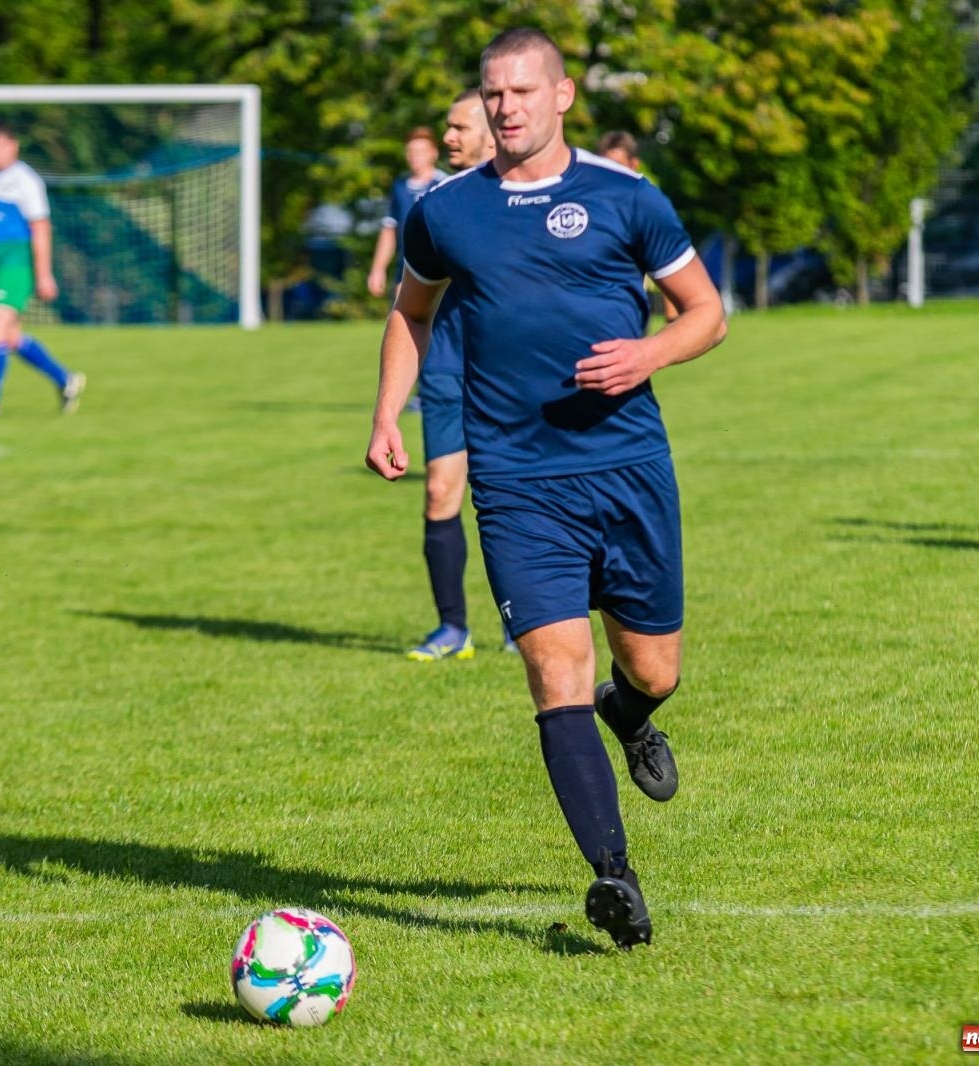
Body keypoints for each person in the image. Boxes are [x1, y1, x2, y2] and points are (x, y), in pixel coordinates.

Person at [364, 28, 727, 949]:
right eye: (493, 95)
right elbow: (411, 313)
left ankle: (629, 714)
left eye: (524, 91)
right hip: (519, 482)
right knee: (551, 670)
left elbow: (707, 313)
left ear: (562, 96)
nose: (506, 108)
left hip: (629, 469)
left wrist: (647, 352)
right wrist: (385, 418)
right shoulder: (445, 212)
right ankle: (614, 876)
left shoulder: (626, 195)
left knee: (655, 669)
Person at [405, 89, 496, 662]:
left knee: (512, 499)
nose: (448, 138)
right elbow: (407, 304)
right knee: (441, 491)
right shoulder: (435, 205)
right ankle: (452, 628)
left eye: (459, 128)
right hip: (444, 367)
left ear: (494, 132)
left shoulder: (519, 200)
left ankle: (529, 619)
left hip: (505, 375)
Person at [0, 124, 85, 421]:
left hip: (16, 265)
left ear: (14, 146)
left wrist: (44, 273)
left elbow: (40, 227)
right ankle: (65, 380)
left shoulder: (25, 180)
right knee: (10, 337)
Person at [597, 130, 679, 324]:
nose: (611, 173)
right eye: (605, 166)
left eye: (617, 166)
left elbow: (668, 258)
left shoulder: (643, 204)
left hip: (630, 307)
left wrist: (671, 312)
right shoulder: (589, 205)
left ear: (634, 165)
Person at [366, 127, 444, 301]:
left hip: (440, 268)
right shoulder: (399, 187)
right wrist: (378, 269)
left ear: (434, 153)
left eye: (421, 151)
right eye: (411, 151)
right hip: (406, 267)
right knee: (401, 320)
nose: (415, 156)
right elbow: (389, 230)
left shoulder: (444, 185)